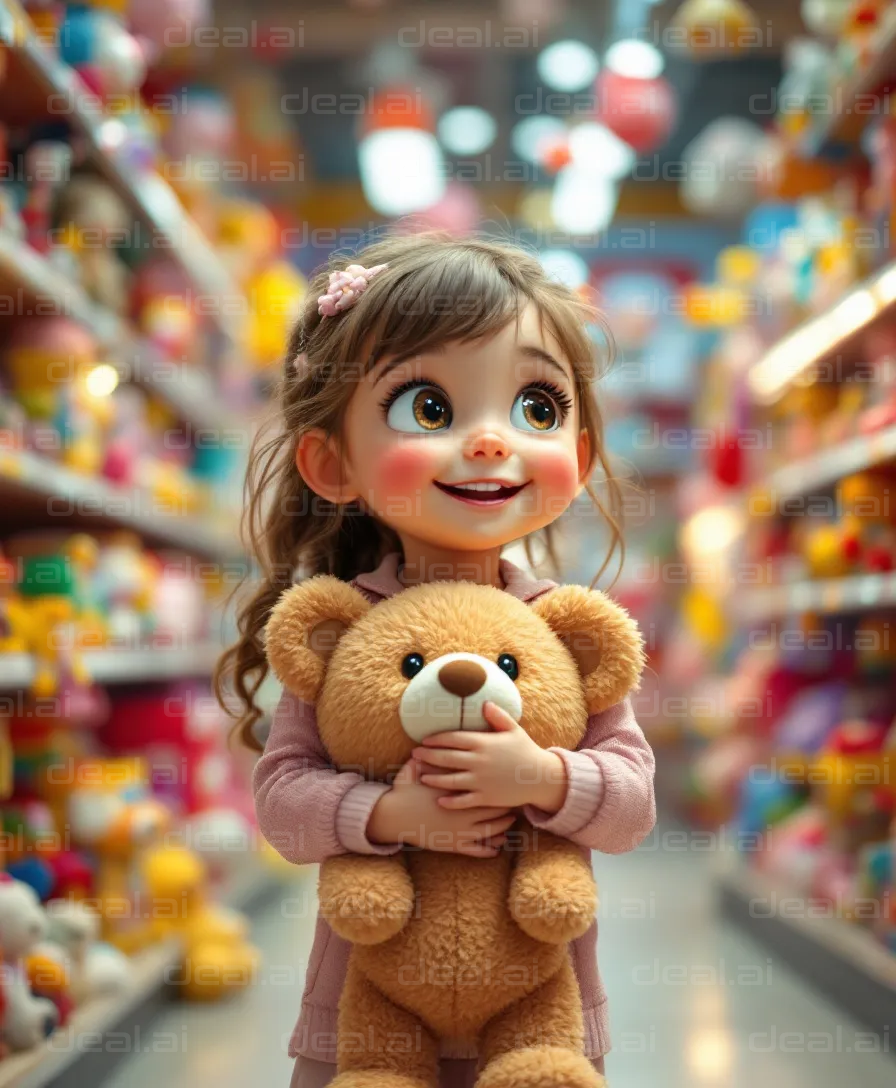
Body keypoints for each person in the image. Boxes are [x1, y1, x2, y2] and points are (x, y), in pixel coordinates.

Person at [217, 233, 657, 1088]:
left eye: (536, 407)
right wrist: (390, 814)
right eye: (428, 406)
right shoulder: (346, 630)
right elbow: (283, 806)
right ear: (332, 462)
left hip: (542, 1014)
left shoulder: (566, 630)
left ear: (581, 455)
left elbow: (632, 807)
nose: (492, 442)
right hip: (365, 1021)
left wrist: (544, 778)